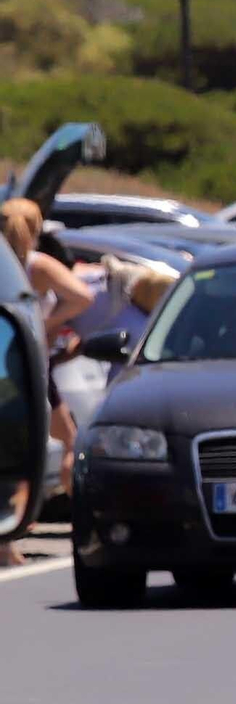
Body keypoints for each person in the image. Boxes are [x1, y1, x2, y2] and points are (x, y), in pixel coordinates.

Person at [1, 199, 92, 501]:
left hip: (10, 364)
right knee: (68, 441)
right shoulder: (36, 265)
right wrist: (45, 325)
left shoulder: (7, 266)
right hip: (31, 365)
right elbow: (83, 296)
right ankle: (78, 512)